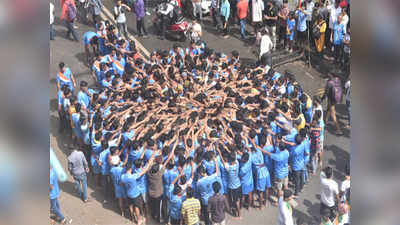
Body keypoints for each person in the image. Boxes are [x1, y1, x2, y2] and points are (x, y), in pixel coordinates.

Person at [121, 151, 157, 224]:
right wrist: (153, 155)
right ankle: (142, 218)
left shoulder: (124, 176)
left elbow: (122, 183)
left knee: (131, 206)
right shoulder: (134, 175)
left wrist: (143, 151)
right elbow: (146, 168)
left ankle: (133, 218)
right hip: (139, 191)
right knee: (140, 205)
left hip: (128, 193)